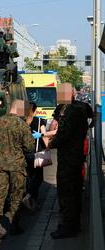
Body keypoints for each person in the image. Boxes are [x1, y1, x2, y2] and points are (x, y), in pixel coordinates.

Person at [0, 99, 35, 239]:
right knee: (16, 196)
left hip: (0, 165)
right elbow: (30, 147)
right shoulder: (22, 125)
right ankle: (14, 225)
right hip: (17, 166)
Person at [47, 83, 88, 239]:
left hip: (69, 159)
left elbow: (64, 134)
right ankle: (72, 224)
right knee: (74, 191)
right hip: (73, 157)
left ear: (71, 94)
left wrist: (50, 144)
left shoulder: (72, 110)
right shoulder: (76, 108)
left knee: (67, 193)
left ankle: (68, 227)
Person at [22, 102, 47, 211]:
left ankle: (30, 202)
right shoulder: (40, 121)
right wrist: (48, 147)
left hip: (24, 154)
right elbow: (44, 136)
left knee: (28, 178)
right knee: (38, 178)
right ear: (35, 110)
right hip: (37, 154)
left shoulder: (21, 122)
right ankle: (30, 198)